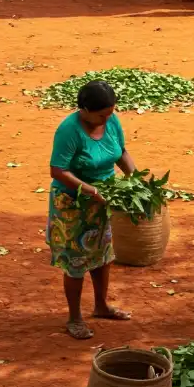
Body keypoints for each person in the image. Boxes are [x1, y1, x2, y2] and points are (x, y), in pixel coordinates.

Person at [47, 80, 135, 339]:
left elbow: (122, 152)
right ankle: (74, 317)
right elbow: (58, 170)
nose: (107, 118)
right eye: (101, 114)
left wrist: (134, 179)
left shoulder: (111, 120)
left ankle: (101, 305)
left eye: (110, 113)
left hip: (103, 198)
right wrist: (90, 191)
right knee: (76, 261)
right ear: (84, 109)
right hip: (73, 202)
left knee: (102, 255)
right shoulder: (69, 130)